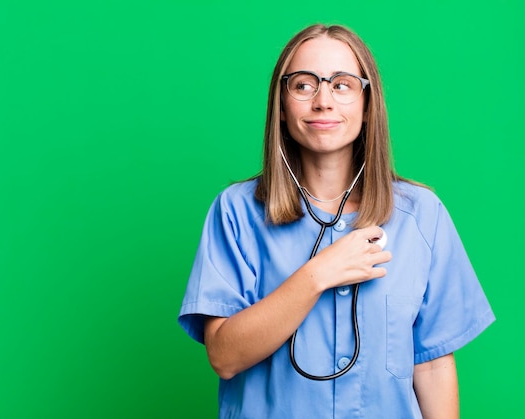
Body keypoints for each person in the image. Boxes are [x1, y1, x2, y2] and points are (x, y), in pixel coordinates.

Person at [178, 23, 494, 418]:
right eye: (304, 85)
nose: (323, 101)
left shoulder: (422, 216)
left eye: (342, 84)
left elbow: (431, 365)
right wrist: (317, 275)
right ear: (281, 104)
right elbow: (224, 356)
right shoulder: (236, 212)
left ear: (367, 102)